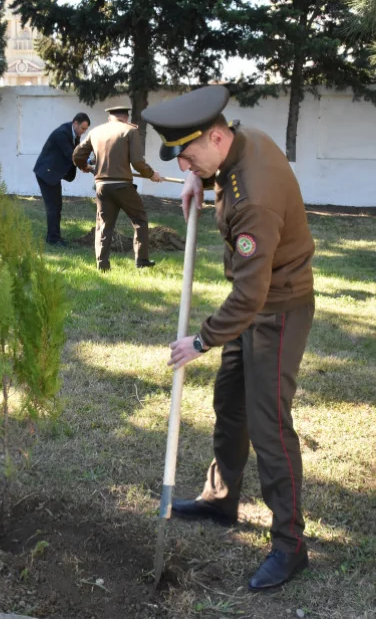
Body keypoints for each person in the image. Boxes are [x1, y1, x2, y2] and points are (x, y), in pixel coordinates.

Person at [143, 85, 316, 591]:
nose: (184, 165)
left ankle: (290, 546)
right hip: (256, 304)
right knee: (230, 403)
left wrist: (199, 341)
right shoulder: (239, 143)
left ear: (216, 136)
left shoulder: (254, 199)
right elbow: (224, 171)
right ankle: (221, 500)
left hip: (277, 309)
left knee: (269, 425)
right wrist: (203, 181)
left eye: (189, 156)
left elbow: (249, 297)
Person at [72, 105, 160, 271]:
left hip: (102, 186)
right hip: (122, 185)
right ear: (126, 118)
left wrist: (83, 166)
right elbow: (137, 162)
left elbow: (77, 154)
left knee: (104, 225)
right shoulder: (129, 131)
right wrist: (151, 174)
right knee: (139, 219)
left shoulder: (96, 131)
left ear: (109, 118)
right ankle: (141, 260)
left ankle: (102, 265)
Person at [33, 112, 90, 246]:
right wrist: (88, 165)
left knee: (56, 205)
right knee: (53, 206)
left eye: (85, 130)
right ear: (75, 123)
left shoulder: (74, 135)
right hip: (47, 173)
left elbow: (77, 153)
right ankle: (53, 239)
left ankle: (54, 236)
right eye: (82, 128)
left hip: (53, 173)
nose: (83, 132)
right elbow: (72, 154)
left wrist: (88, 162)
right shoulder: (62, 133)